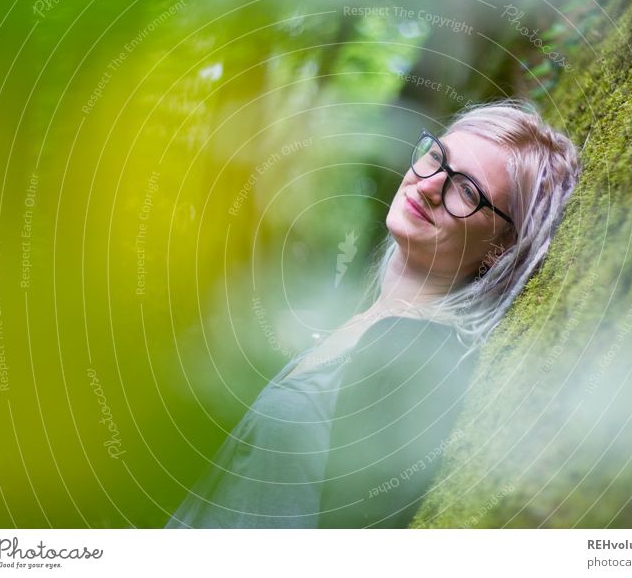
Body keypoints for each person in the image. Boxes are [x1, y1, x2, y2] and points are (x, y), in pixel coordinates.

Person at [164, 99, 580, 529]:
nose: (431, 184)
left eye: (467, 191)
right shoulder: (373, 327)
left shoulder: (408, 359)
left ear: (500, 251)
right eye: (436, 158)